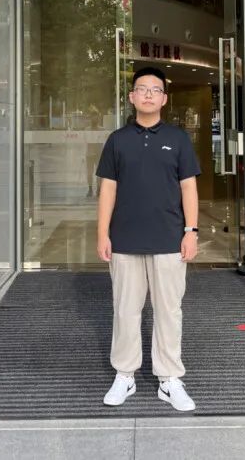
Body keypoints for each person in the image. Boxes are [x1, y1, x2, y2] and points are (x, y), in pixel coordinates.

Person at [96, 66, 200, 412]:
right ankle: (124, 374)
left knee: (169, 311)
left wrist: (191, 231)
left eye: (155, 90)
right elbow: (108, 190)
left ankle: (169, 379)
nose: (149, 95)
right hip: (125, 240)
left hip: (169, 239)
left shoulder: (178, 139)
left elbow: (189, 187)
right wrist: (102, 233)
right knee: (125, 310)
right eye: (142, 89)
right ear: (132, 96)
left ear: (164, 99)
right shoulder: (117, 140)